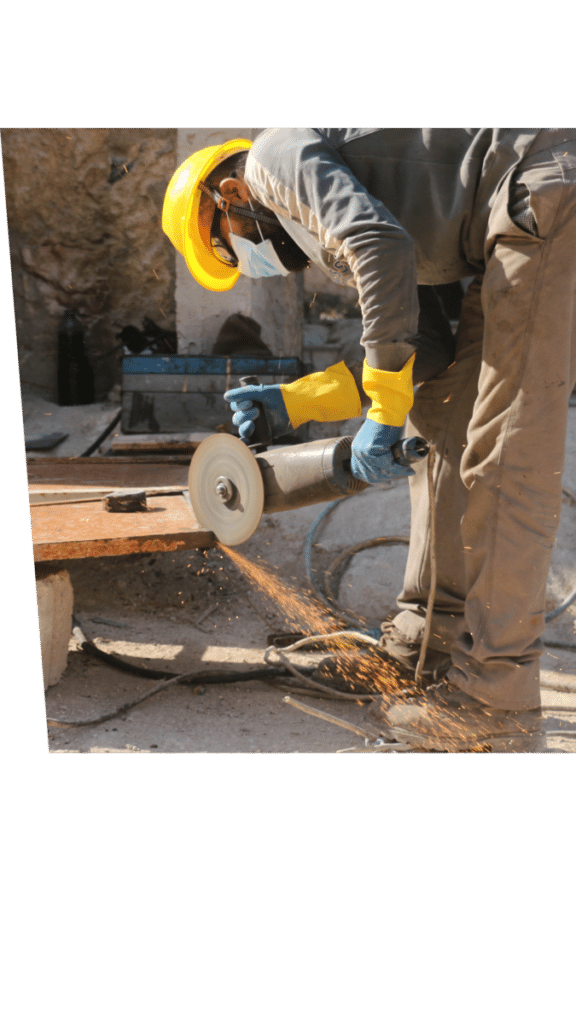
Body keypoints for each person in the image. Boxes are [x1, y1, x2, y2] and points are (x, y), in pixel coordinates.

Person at [163, 128, 576, 752]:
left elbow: (377, 246)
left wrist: (381, 411)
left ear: (229, 193)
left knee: (506, 452)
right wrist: (295, 401)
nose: (246, 262)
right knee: (441, 418)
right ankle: (425, 646)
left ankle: (497, 700)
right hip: (515, 212)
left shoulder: (277, 157)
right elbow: (427, 352)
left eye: (228, 248)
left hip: (544, 189)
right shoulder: (368, 201)